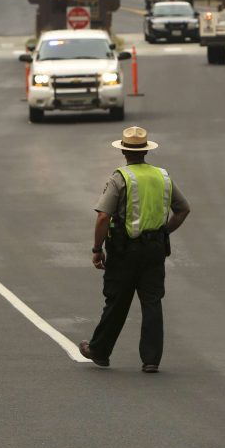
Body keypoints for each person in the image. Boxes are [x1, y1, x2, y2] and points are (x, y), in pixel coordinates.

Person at [79, 126, 191, 373]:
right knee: (152, 302)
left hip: (124, 250)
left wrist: (97, 249)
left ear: (123, 151)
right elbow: (183, 209)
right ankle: (151, 360)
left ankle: (100, 351)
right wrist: (163, 233)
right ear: (145, 151)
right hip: (155, 249)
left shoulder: (121, 178)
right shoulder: (163, 177)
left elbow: (102, 217)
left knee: (117, 301)